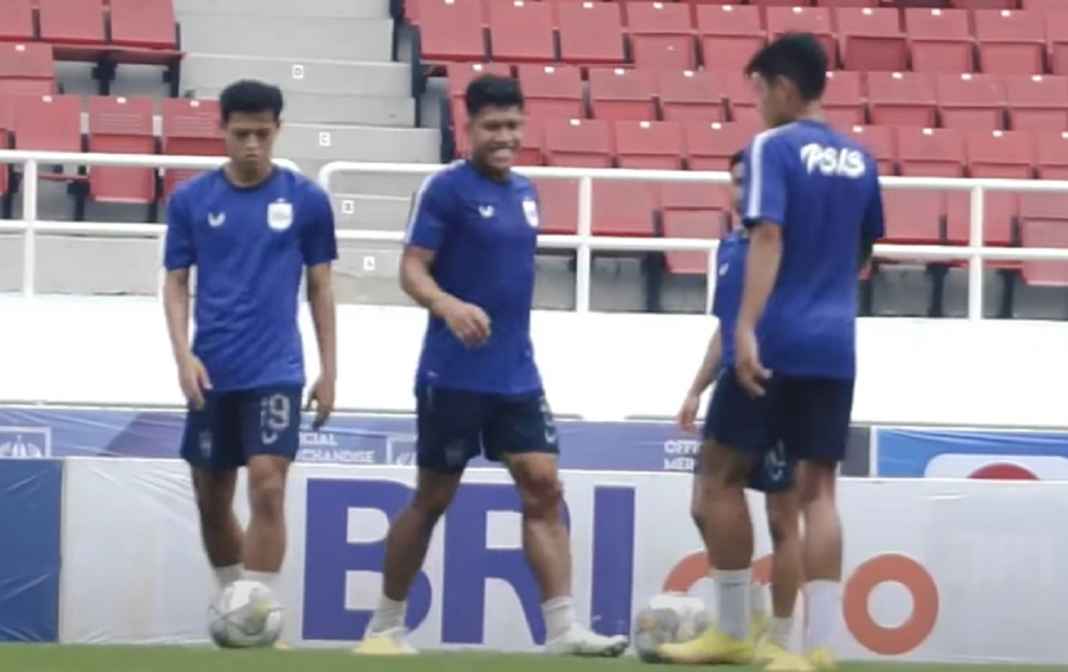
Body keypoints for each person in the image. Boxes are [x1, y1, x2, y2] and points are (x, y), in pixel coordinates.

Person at [354, 74, 628, 658]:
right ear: (467, 128)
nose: (504, 137)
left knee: (544, 486)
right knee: (432, 499)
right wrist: (447, 304)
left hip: (517, 375)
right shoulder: (444, 191)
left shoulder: (527, 192)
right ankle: (383, 628)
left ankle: (561, 631)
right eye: (492, 127)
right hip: (452, 375)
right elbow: (411, 269)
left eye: (512, 125)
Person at [661, 33, 884, 672]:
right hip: (836, 342)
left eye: (758, 89)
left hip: (776, 340)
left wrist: (748, 327)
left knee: (717, 479)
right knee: (820, 493)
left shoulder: (770, 149)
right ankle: (819, 650)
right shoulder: (861, 159)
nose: (755, 104)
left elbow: (767, 235)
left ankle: (733, 630)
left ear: (782, 86)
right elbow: (866, 251)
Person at [163, 80, 338, 627]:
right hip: (212, 369)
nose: (253, 145)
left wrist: (330, 369)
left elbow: (321, 287)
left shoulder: (306, 200)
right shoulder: (191, 200)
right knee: (211, 500)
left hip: (276, 370)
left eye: (263, 133)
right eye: (241, 134)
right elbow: (174, 283)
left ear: (278, 130)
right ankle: (235, 605)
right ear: (222, 131)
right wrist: (181, 357)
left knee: (268, 483)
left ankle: (257, 614)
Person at [673, 150, 803, 666]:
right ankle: (742, 622)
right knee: (705, 503)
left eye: (749, 182)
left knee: (782, 517)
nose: (741, 191)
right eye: (734, 182)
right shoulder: (728, 248)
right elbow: (725, 328)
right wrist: (695, 388)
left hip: (781, 381)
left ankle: (780, 639)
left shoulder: (786, 247)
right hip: (733, 379)